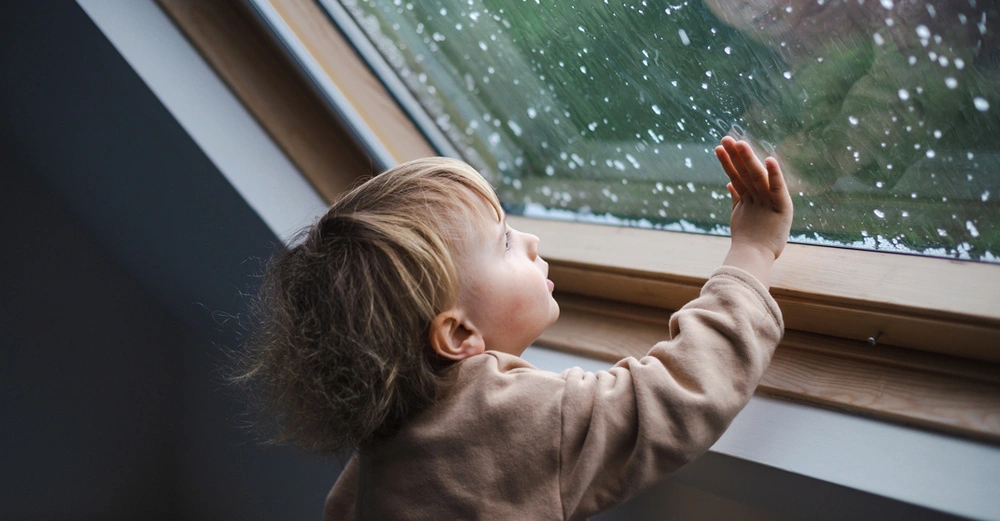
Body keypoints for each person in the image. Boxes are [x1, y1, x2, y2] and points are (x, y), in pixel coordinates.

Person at [236, 136, 792, 520]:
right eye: (503, 242)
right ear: (456, 336)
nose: (531, 241)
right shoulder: (503, 416)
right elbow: (672, 399)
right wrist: (752, 252)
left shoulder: (381, 450)